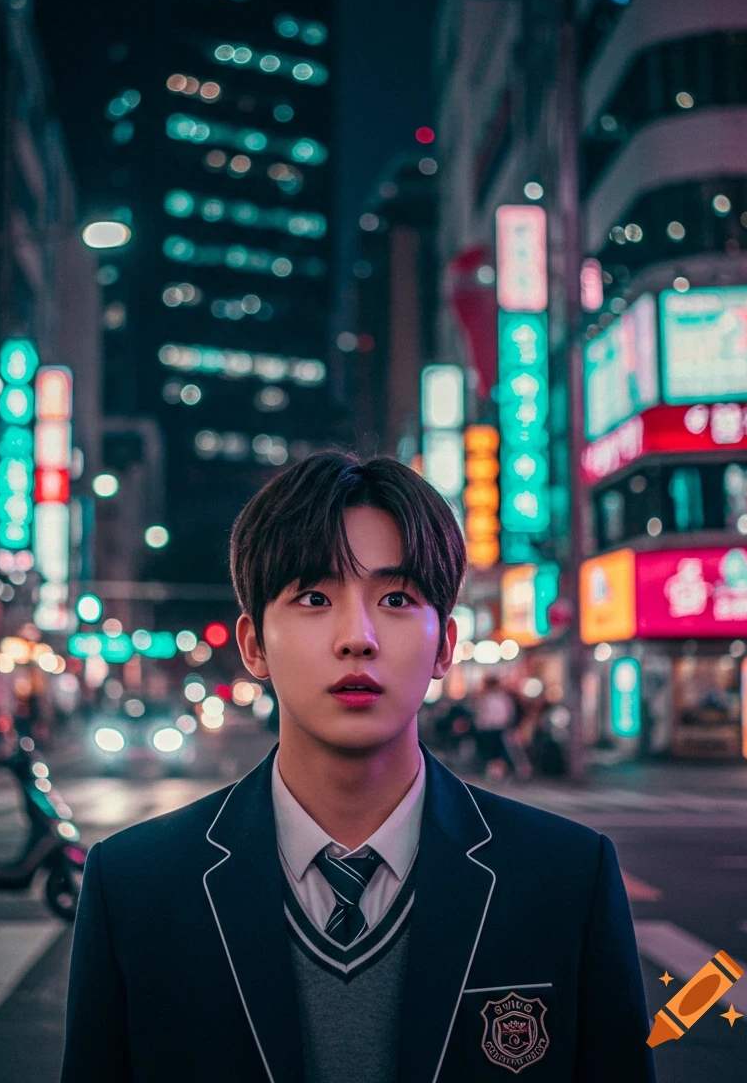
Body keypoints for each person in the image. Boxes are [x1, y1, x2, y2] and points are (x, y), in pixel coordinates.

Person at [61, 450, 656, 1083]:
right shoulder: (134, 886)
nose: (358, 637)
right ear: (254, 645)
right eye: (314, 596)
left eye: (396, 598)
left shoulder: (568, 878)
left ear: (444, 645)